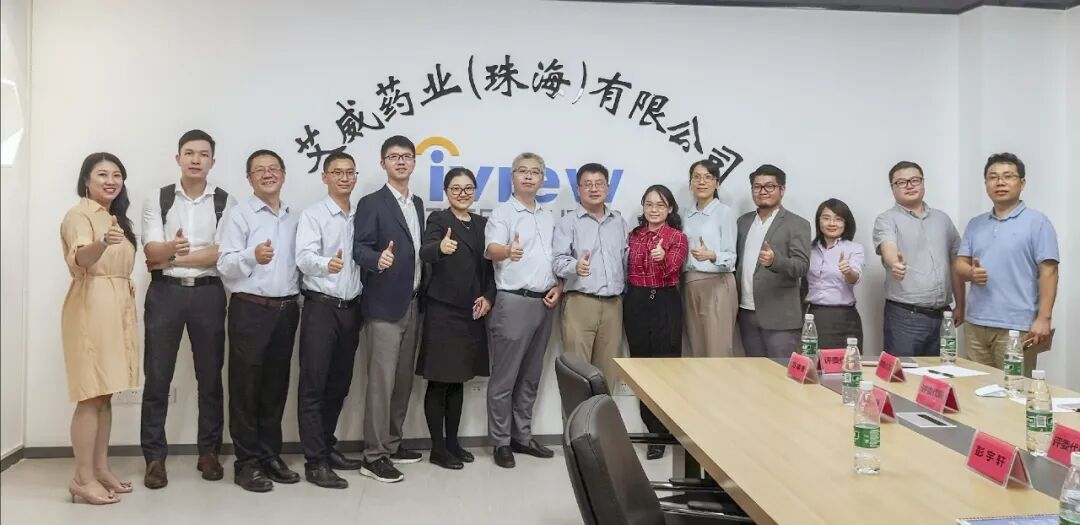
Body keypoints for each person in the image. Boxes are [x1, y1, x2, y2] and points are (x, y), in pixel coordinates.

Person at [140, 130, 235, 489]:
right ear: (177, 157)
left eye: (203, 154)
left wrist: (173, 255)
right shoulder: (158, 197)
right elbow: (151, 251)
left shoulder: (225, 201)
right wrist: (167, 252)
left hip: (209, 294)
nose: (196, 159)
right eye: (190, 153)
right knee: (157, 377)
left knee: (210, 377)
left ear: (213, 161)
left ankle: (209, 453)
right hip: (165, 293)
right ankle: (154, 459)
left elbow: (221, 253)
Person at [216, 149, 300, 492]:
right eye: (259, 170)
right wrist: (253, 255)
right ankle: (246, 463)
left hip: (286, 310)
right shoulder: (239, 215)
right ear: (249, 178)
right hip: (250, 309)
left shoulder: (293, 217)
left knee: (275, 388)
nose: (268, 174)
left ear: (283, 174)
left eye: (273, 168)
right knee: (245, 388)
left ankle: (270, 455)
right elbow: (224, 264)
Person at [60, 153, 139, 504]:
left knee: (106, 393)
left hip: (117, 307)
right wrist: (104, 242)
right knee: (90, 394)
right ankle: (82, 478)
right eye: (102, 174)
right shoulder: (79, 215)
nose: (111, 181)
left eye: (117, 175)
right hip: (91, 307)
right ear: (86, 180)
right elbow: (80, 258)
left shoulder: (114, 217)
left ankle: (100, 468)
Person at [352, 135, 426, 483]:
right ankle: (373, 455)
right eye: (394, 157)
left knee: (402, 380)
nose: (401, 161)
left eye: (406, 156)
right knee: (381, 383)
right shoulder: (372, 203)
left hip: (413, 302)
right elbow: (359, 248)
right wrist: (376, 259)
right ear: (383, 163)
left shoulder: (417, 204)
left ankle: (393, 443)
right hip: (383, 306)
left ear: (414, 162)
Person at [484, 152, 562, 469]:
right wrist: (507, 250)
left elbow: (555, 259)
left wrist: (559, 285)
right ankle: (501, 442)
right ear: (513, 177)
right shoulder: (502, 213)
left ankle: (522, 436)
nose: (529, 177)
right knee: (504, 379)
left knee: (530, 376)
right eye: (522, 171)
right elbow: (491, 249)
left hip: (545, 303)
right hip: (513, 301)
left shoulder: (548, 216)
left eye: (535, 172)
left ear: (543, 179)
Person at [417, 168, 495, 470]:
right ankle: (438, 448)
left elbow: (489, 270)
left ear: (474, 190)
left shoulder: (482, 224)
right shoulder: (439, 220)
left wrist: (488, 297)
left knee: (458, 381)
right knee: (439, 381)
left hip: (471, 313)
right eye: (456, 188)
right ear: (447, 192)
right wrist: (439, 247)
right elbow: (425, 252)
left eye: (468, 188)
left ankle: (453, 443)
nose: (462, 193)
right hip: (443, 311)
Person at [294, 152, 365, 489]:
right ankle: (315, 461)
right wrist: (327, 264)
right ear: (325, 177)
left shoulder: (361, 216)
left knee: (339, 383)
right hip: (321, 308)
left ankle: (327, 446)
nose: (344, 178)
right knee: (314, 385)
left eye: (350, 172)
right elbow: (304, 258)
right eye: (337, 172)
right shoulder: (314, 215)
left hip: (351, 309)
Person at [955, 153, 1058, 374]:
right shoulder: (976, 224)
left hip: (1017, 327)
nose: (1000, 182)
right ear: (986, 183)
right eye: (993, 177)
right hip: (976, 324)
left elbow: (1049, 271)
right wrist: (971, 273)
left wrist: (1044, 318)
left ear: (1022, 183)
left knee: (1014, 389)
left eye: (1008, 176)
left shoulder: (1038, 222)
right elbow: (959, 264)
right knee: (976, 388)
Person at [873, 161, 964, 356]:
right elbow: (888, 246)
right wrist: (895, 263)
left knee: (942, 372)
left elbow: (956, 263)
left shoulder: (943, 219)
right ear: (892, 188)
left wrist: (961, 306)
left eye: (915, 180)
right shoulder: (886, 219)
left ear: (923, 183)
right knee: (903, 372)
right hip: (905, 317)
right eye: (901, 182)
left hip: (943, 316)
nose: (909, 185)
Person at [625, 184, 688, 460]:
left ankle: (663, 433)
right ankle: (650, 430)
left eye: (660, 205)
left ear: (670, 208)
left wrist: (662, 259)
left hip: (664, 301)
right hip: (636, 301)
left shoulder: (677, 237)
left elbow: (673, 268)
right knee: (641, 368)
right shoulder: (634, 235)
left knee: (665, 369)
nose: (653, 209)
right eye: (649, 204)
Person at [552, 163, 628, 388]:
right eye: (587, 184)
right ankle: (577, 414)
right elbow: (557, 261)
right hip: (580, 303)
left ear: (608, 188)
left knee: (607, 375)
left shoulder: (619, 222)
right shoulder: (568, 222)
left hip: (613, 305)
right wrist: (575, 266)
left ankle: (603, 413)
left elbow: (626, 260)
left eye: (599, 184)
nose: (594, 189)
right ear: (578, 189)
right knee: (577, 374)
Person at [735, 164, 811, 358]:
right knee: (752, 371)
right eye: (757, 187)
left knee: (781, 371)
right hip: (746, 311)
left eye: (769, 186)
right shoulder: (743, 222)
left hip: (780, 317)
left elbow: (801, 266)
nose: (762, 191)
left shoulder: (797, 224)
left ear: (782, 189)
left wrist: (775, 262)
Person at [681, 159, 739, 358]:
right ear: (690, 183)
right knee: (694, 348)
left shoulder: (724, 212)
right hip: (690, 284)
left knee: (717, 348)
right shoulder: (686, 214)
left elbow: (731, 257)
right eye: (696, 177)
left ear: (717, 183)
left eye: (708, 177)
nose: (701, 182)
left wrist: (712, 255)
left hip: (717, 284)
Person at [805, 198, 865, 348]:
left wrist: (848, 271)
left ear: (846, 223)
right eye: (826, 218)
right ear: (819, 221)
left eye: (838, 219)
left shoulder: (854, 248)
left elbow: (855, 277)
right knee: (815, 360)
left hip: (845, 318)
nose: (832, 223)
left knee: (848, 361)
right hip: (815, 317)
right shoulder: (808, 249)